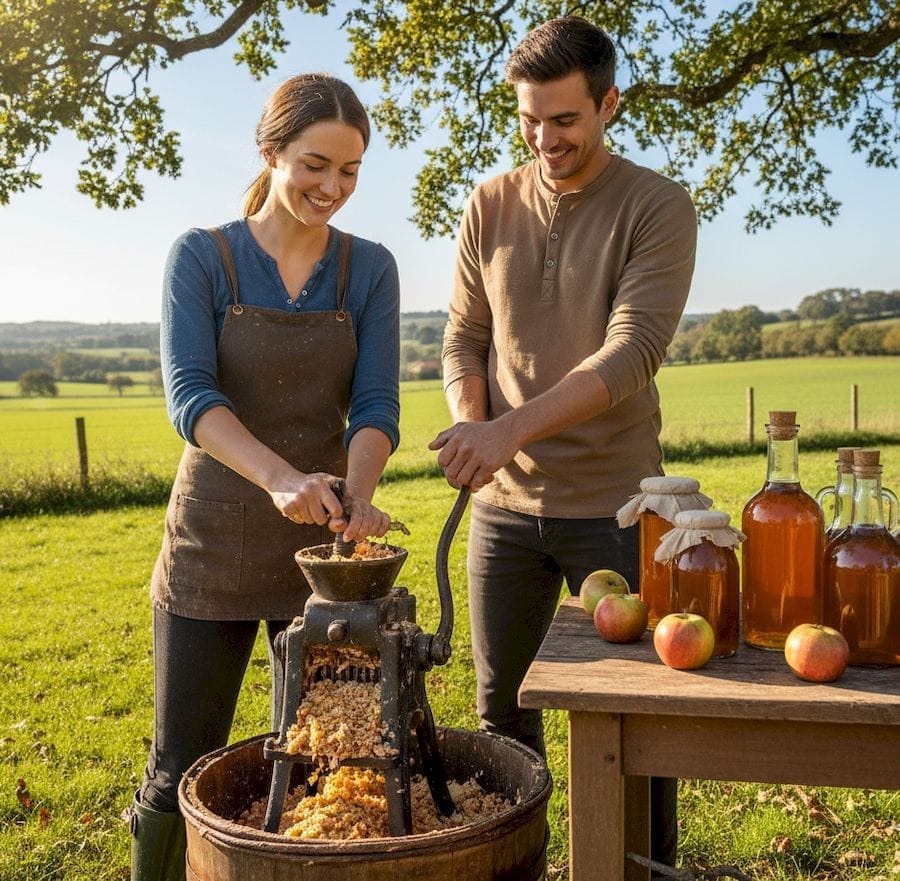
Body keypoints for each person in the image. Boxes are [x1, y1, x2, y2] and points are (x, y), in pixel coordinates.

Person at [430, 16, 696, 870]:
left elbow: (631, 352)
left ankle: (638, 868)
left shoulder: (656, 205)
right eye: (530, 119)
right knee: (500, 711)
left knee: (634, 717)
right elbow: (462, 338)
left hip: (614, 506)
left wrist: (508, 427)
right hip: (504, 514)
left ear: (609, 103)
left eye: (566, 120)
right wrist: (476, 422)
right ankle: (519, 865)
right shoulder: (489, 202)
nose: (545, 138)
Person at [129, 73, 400, 881]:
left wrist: (357, 495)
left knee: (335, 763)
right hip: (212, 538)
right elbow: (191, 397)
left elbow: (376, 403)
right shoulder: (203, 257)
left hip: (323, 555)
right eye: (315, 164)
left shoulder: (369, 269)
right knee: (182, 764)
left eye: (349, 172)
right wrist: (278, 476)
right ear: (270, 150)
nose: (332, 188)